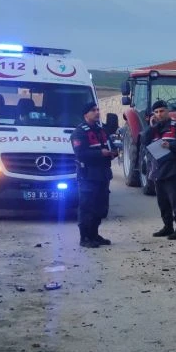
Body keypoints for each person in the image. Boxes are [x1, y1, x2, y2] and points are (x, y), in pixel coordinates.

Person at [70, 101, 117, 248]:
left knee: (100, 207)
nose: (97, 112)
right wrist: (100, 153)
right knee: (87, 207)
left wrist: (114, 152)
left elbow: (111, 145)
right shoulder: (79, 132)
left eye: (97, 109)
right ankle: (85, 238)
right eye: (93, 110)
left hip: (103, 174)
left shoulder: (101, 130)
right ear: (86, 114)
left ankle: (95, 235)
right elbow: (80, 153)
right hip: (88, 175)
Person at [141, 100, 176, 240]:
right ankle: (168, 227)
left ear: (167, 111)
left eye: (162, 111)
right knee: (162, 202)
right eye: (156, 112)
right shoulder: (154, 128)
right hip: (157, 169)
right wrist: (152, 126)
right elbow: (144, 140)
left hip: (173, 169)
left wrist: (170, 145)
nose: (159, 114)